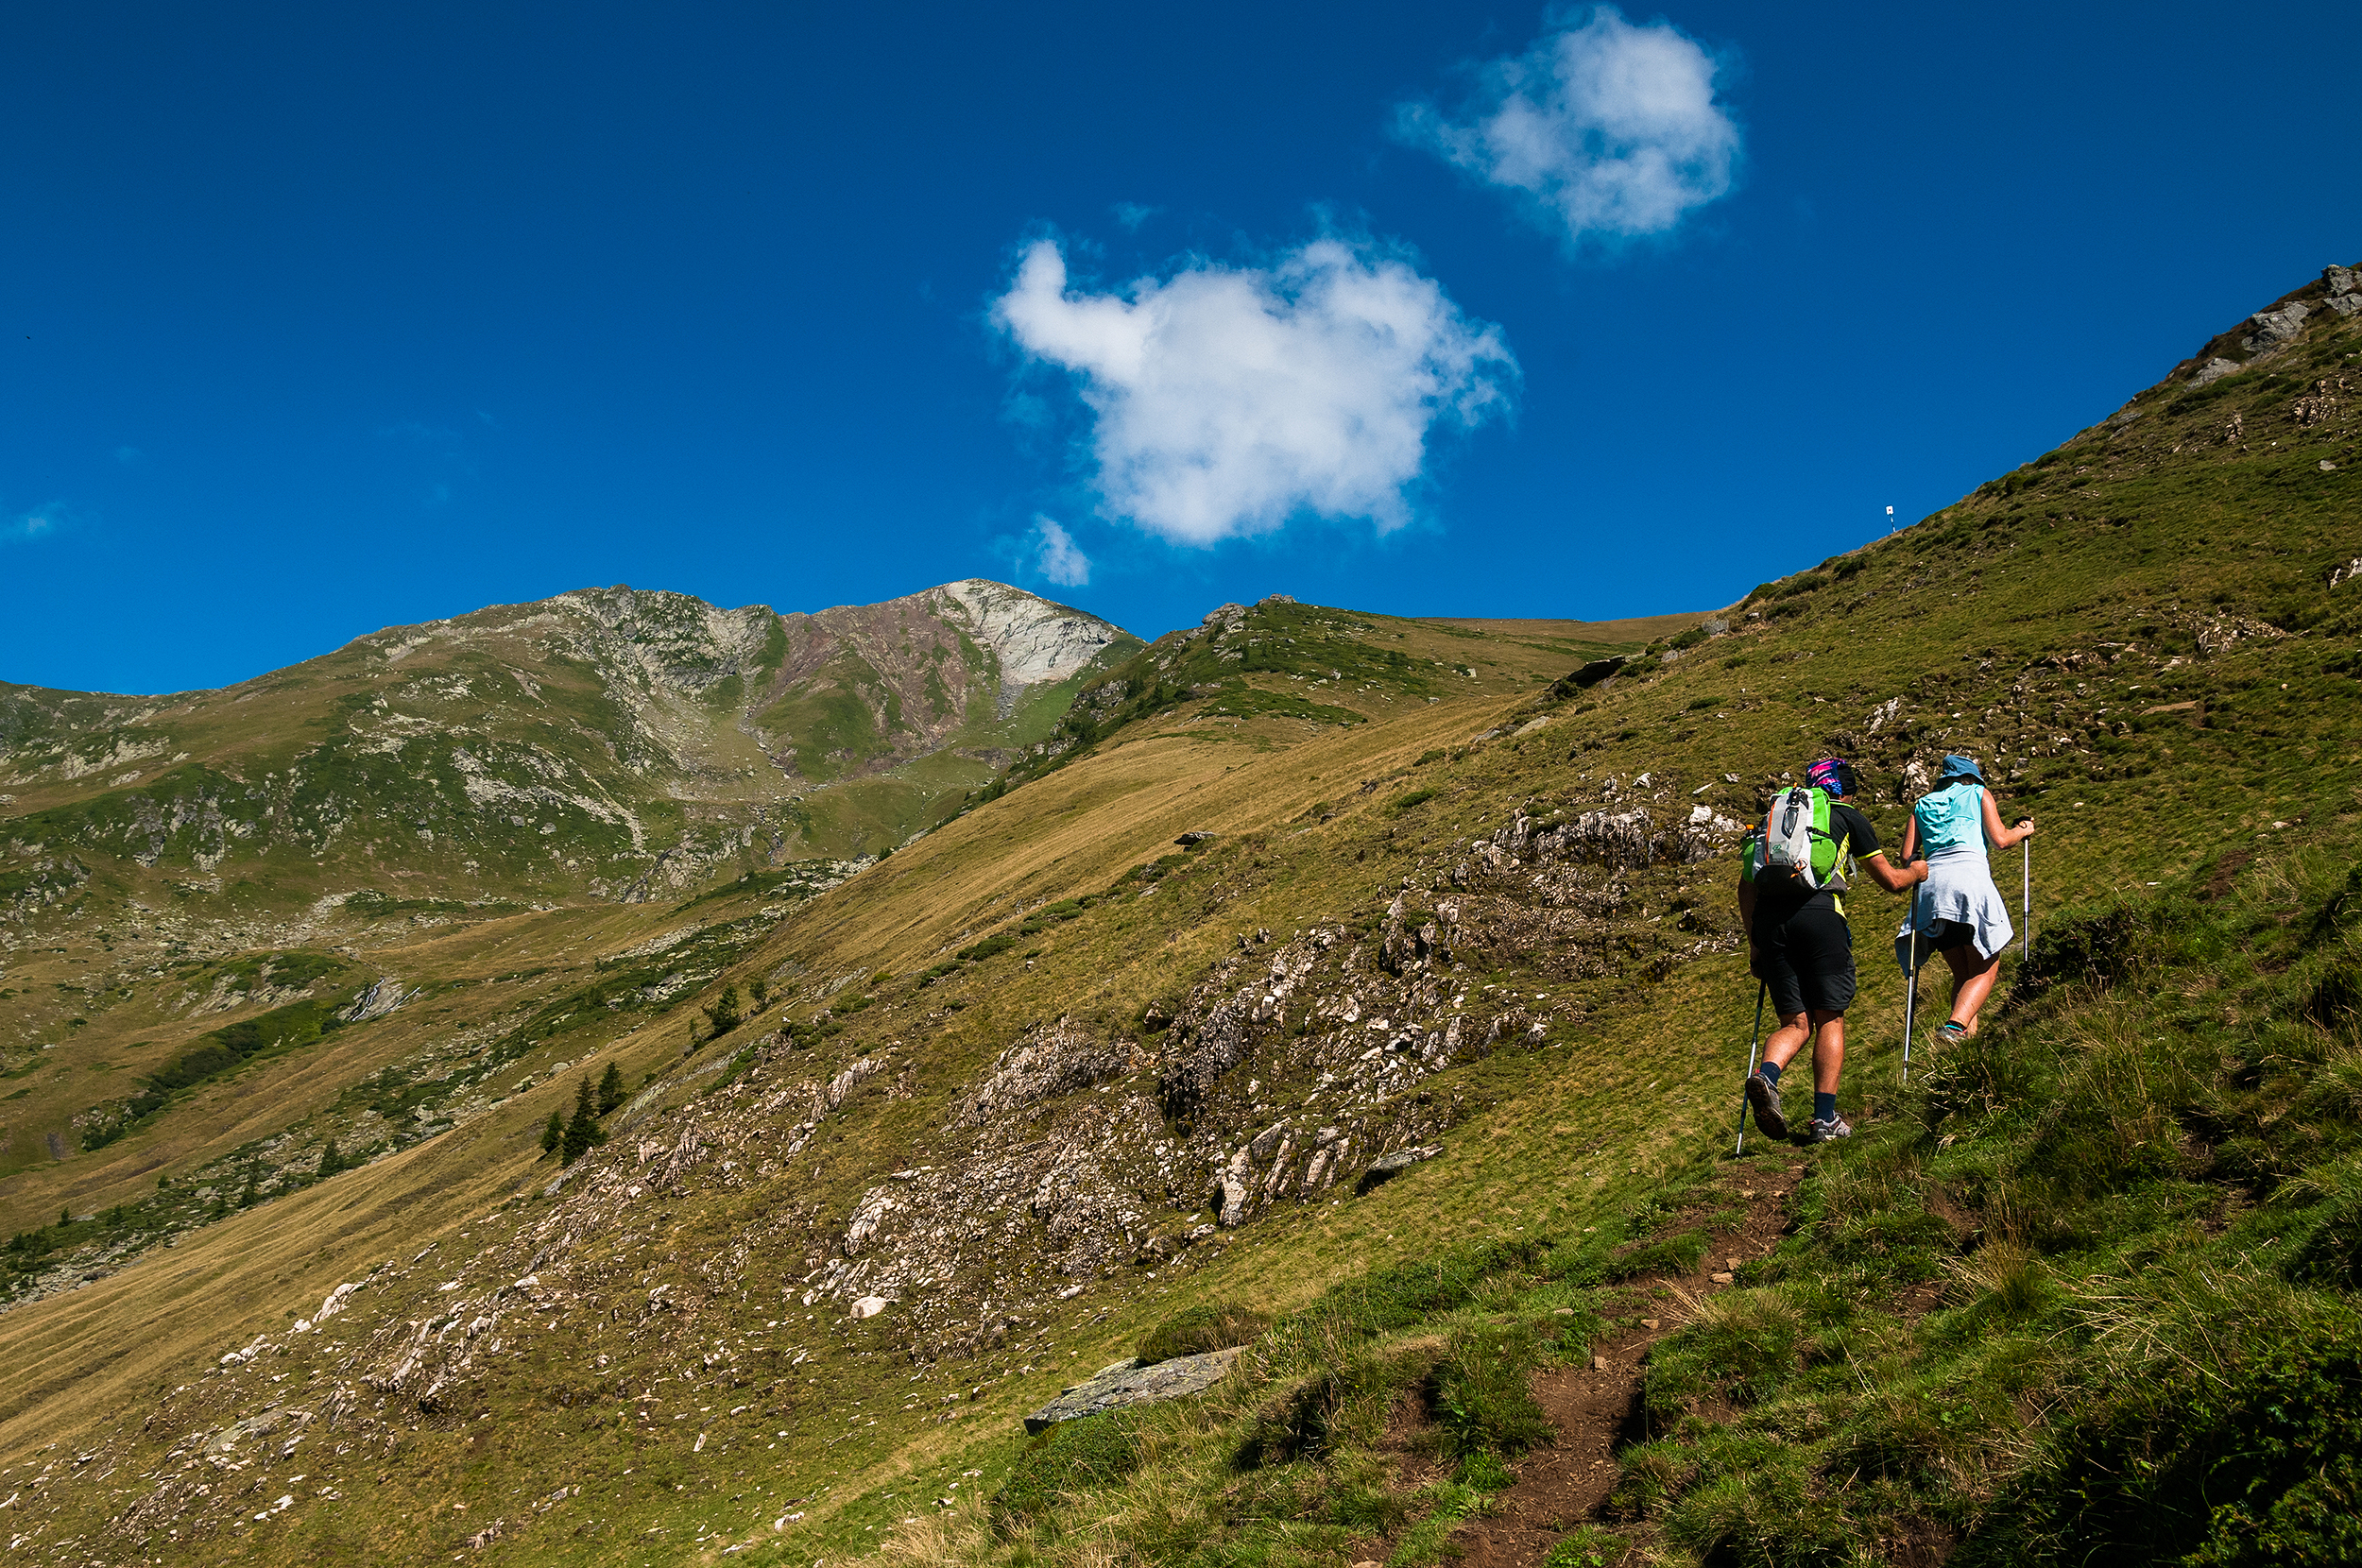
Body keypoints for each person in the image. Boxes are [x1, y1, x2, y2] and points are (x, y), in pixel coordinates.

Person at [1737, 758, 1927, 1143]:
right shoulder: (1845, 816)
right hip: (1821, 917)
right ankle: (1825, 1120)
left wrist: (1755, 945)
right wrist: (1917, 873)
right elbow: (1890, 880)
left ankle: (1766, 1077)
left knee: (1794, 1022)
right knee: (1829, 1018)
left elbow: (1745, 888)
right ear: (1846, 791)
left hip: (1771, 923)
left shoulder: (1775, 820)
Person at [1894, 754, 2033, 1044]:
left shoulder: (1921, 805)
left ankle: (1965, 1046)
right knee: (1986, 969)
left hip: (1932, 892)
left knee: (1963, 973)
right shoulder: (1978, 793)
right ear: (1972, 777)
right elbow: (2000, 840)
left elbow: (1907, 857)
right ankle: (1955, 1027)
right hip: (1968, 883)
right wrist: (2022, 830)